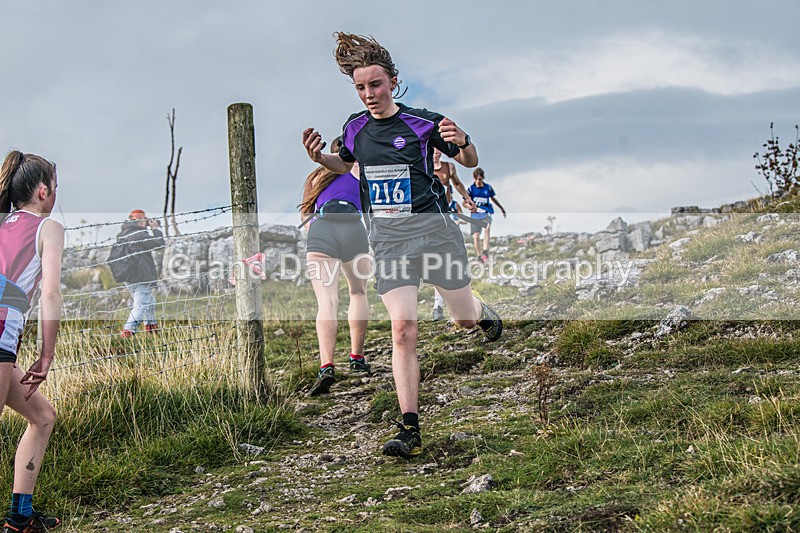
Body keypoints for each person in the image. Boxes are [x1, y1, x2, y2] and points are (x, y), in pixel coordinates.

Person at [302, 32, 503, 458]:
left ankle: (480, 312)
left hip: (434, 233)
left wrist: (464, 141)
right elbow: (350, 165)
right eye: (360, 87)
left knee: (463, 320)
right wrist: (322, 160)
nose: (369, 94)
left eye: (375, 85)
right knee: (402, 329)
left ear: (392, 81)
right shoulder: (354, 128)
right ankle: (409, 426)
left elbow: (467, 160)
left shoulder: (423, 122)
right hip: (389, 241)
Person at [0, 151, 64, 532]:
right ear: (43, 191)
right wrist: (46, 353)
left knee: (42, 417)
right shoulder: (48, 227)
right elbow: (51, 295)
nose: (56, 194)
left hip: (4, 348)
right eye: (56, 187)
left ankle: (20, 517)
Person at [299, 137, 372, 396]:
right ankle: (357, 358)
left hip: (321, 230)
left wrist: (316, 236)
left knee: (327, 303)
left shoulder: (315, 177)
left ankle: (327, 366)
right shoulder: (360, 171)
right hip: (353, 229)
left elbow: (305, 216)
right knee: (358, 292)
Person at [431, 149, 475, 321]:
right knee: (436, 262)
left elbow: (456, 184)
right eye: (432, 149)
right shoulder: (421, 165)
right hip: (430, 218)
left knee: (452, 260)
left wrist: (467, 198)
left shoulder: (449, 167)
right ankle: (438, 306)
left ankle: (457, 302)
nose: (435, 153)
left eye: (437, 150)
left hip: (447, 214)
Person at [117, 210, 164, 338]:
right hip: (141, 276)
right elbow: (159, 243)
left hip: (130, 276)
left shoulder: (124, 233)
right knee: (141, 304)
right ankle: (128, 332)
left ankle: (151, 327)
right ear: (140, 221)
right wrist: (155, 228)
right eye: (145, 220)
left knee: (149, 301)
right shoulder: (137, 235)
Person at [468, 167, 506, 264]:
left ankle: (485, 251)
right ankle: (479, 255)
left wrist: (501, 208)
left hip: (486, 213)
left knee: (487, 228)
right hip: (475, 215)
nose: (478, 181)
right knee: (476, 236)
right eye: (476, 179)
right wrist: (469, 206)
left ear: (483, 178)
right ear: (474, 178)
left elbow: (493, 199)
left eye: (480, 179)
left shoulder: (487, 188)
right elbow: (465, 201)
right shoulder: (471, 189)